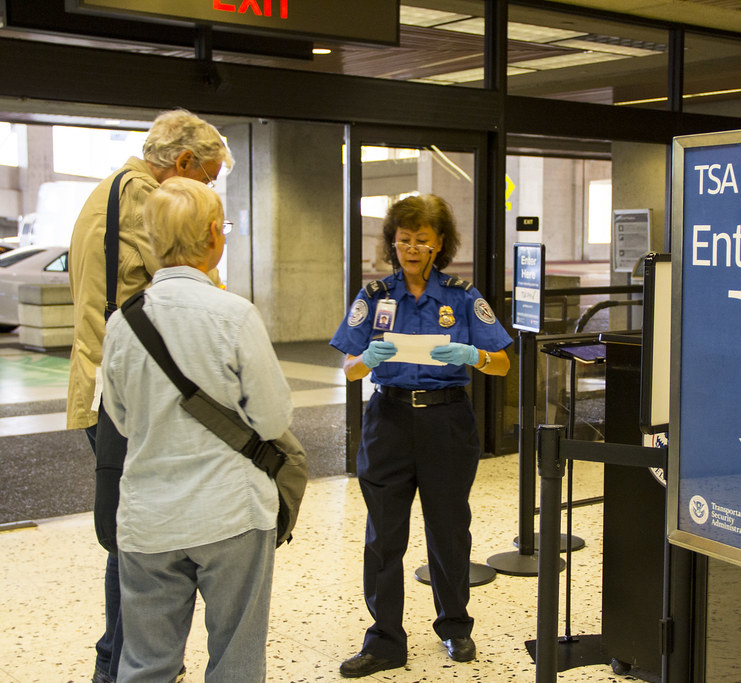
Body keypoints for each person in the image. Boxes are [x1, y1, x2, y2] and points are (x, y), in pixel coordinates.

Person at [101, 176, 291, 681]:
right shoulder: (235, 315)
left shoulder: (123, 323)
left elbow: (121, 420)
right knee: (236, 660)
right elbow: (273, 419)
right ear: (212, 235)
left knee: (146, 662)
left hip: (148, 520)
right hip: (231, 512)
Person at [67, 109, 233, 683]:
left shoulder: (110, 190)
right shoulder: (144, 198)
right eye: (207, 180)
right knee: (136, 541)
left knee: (134, 532)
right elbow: (187, 286)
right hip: (129, 398)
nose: (206, 198)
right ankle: (121, 665)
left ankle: (124, 661)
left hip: (109, 385)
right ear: (183, 162)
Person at [330, 194, 512, 678]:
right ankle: (385, 640)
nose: (411, 248)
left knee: (448, 530)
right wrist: (366, 360)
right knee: (383, 534)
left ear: (439, 244)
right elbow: (349, 368)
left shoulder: (462, 296)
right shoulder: (374, 296)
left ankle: (455, 625)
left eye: (421, 240)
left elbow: (502, 363)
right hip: (388, 420)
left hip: (446, 421)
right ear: (393, 242)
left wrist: (473, 356)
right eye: (404, 239)